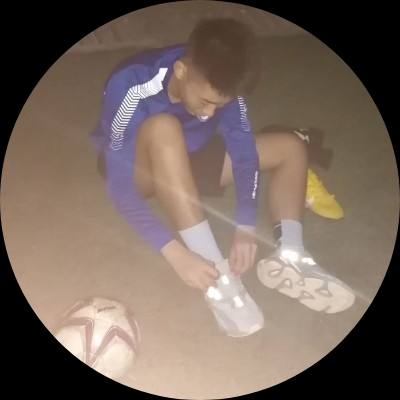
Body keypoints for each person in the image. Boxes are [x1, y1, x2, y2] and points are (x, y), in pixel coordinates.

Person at [90, 17, 354, 338]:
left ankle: (291, 254)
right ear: (181, 71)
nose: (210, 113)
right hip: (136, 165)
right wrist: (175, 254)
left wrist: (245, 223)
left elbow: (244, 153)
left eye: (220, 105)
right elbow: (119, 186)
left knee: (291, 147)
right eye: (206, 102)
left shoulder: (223, 83)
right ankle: (216, 274)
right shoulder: (131, 84)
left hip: (191, 153)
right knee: (163, 128)